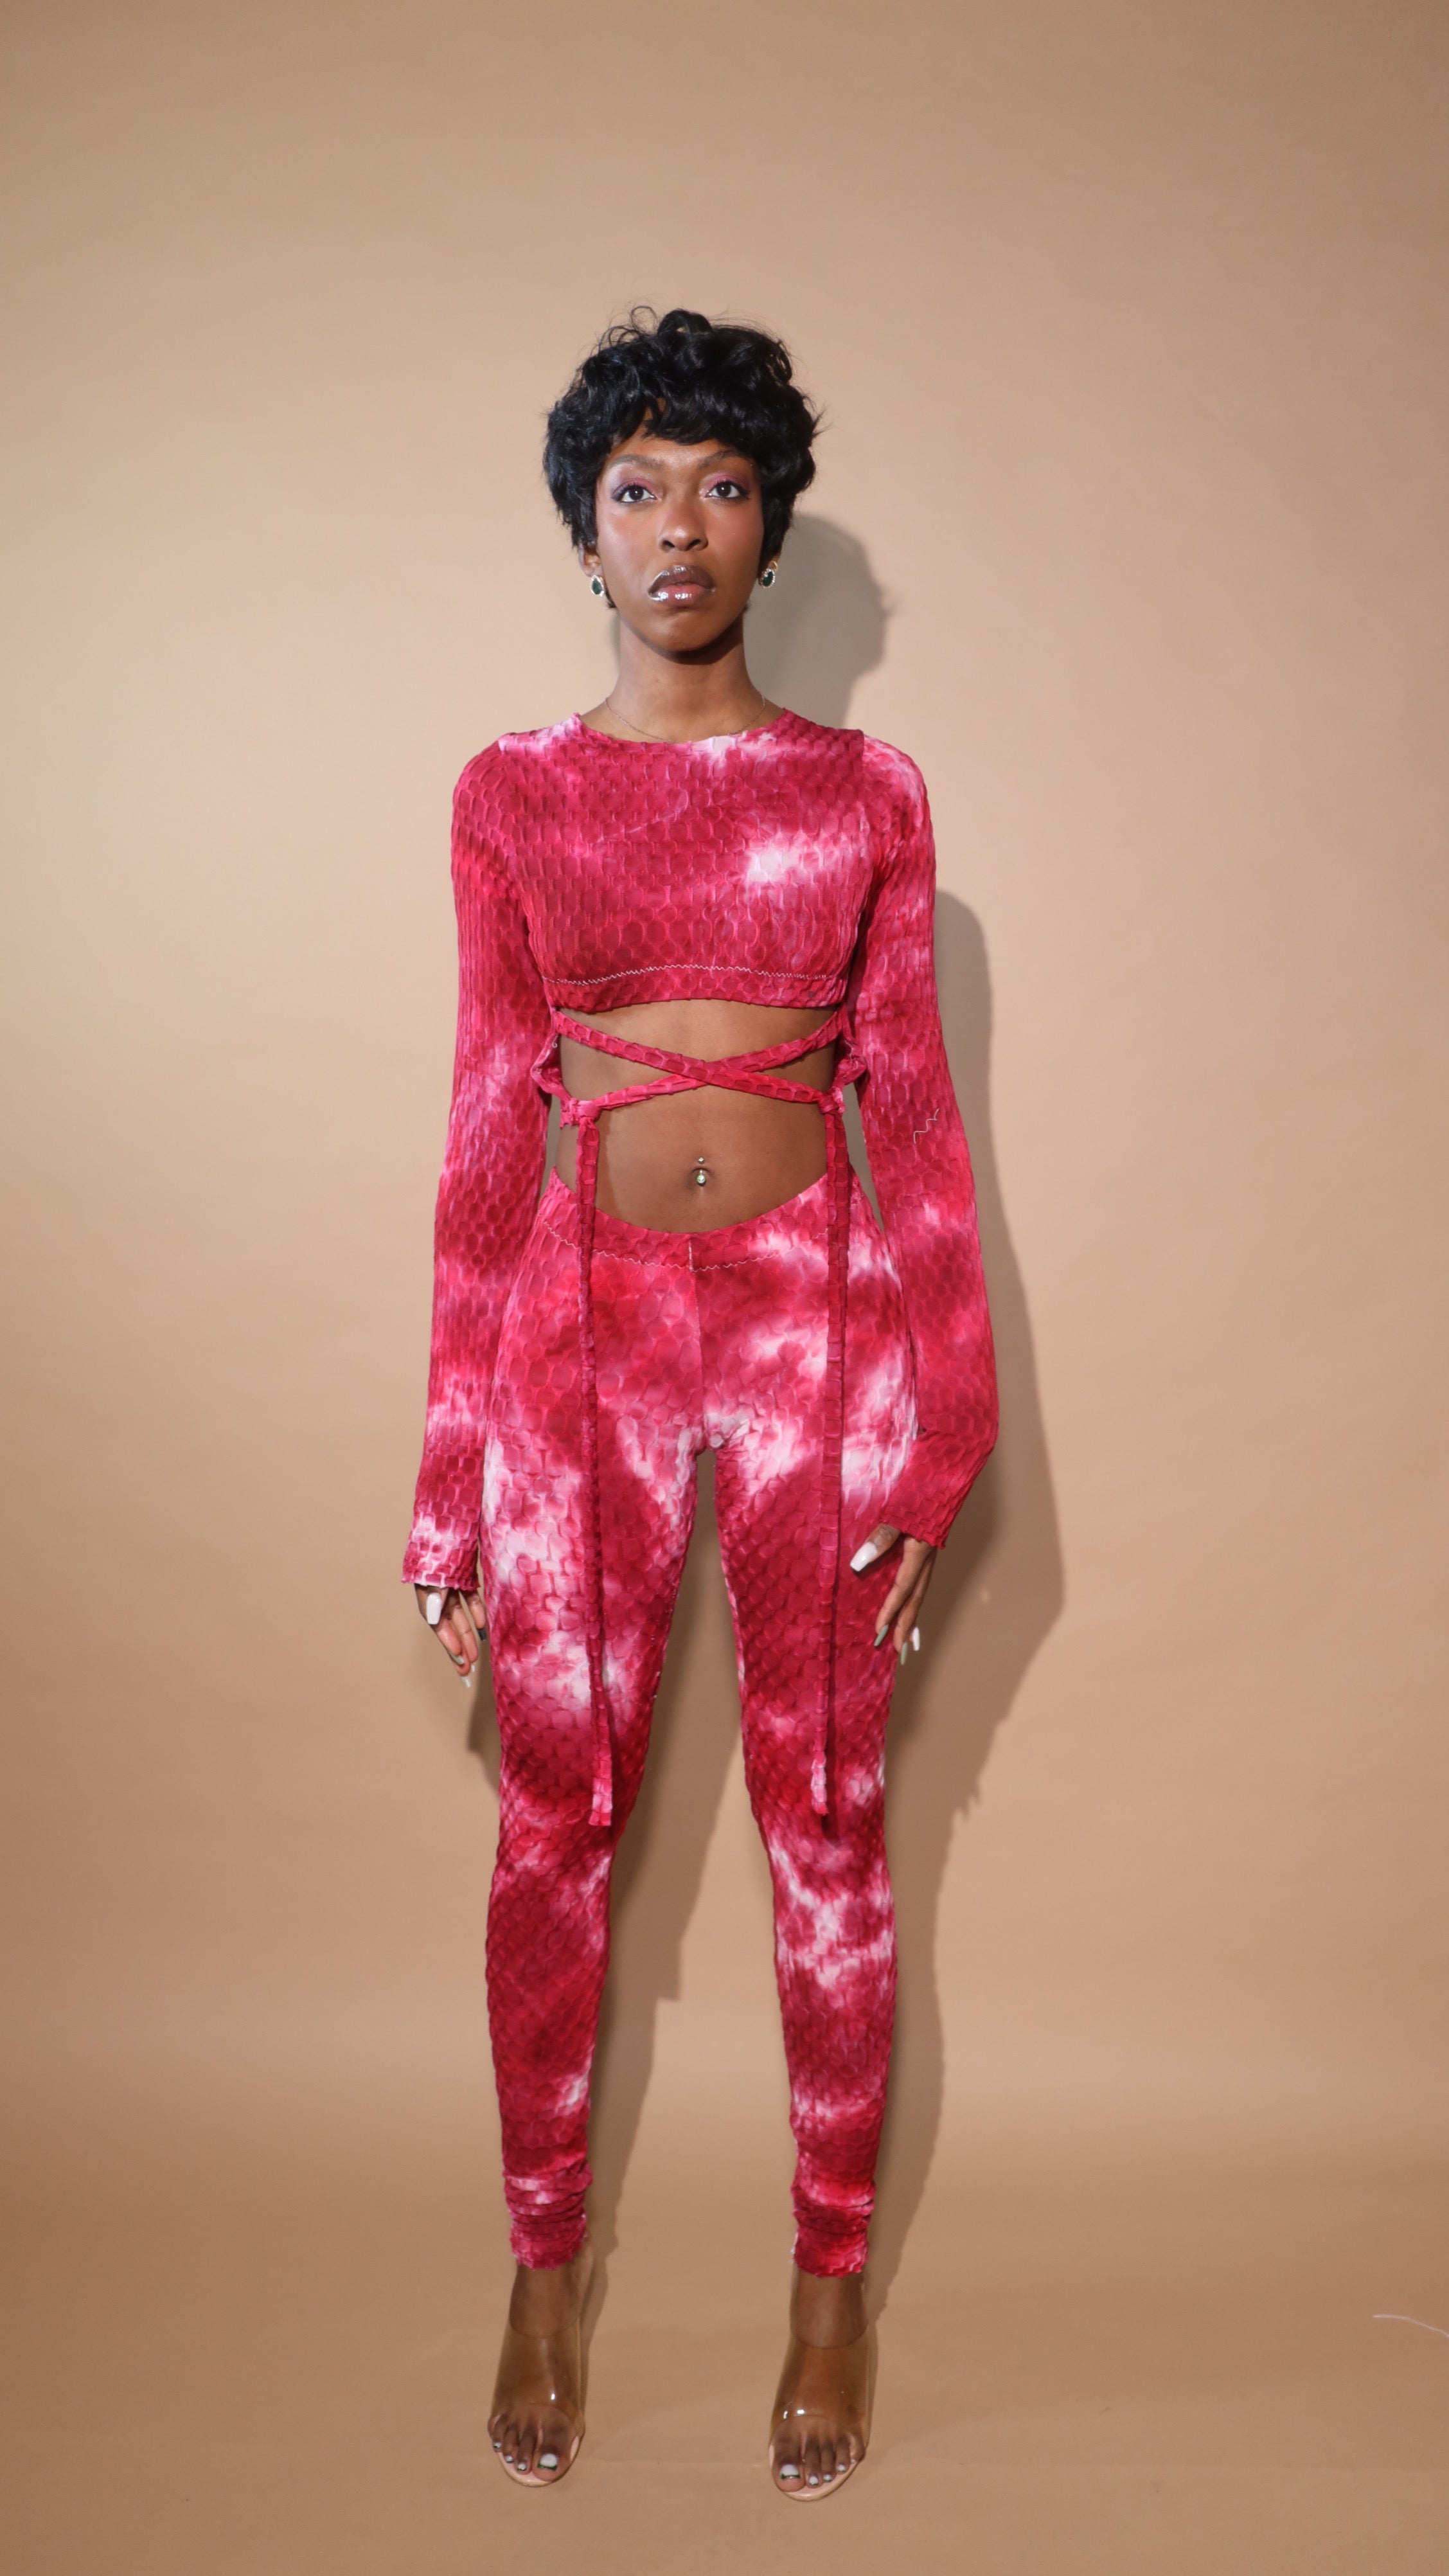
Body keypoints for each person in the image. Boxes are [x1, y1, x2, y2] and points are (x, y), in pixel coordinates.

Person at [403, 308, 997, 2499]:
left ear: (772, 527)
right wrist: (449, 1472)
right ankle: (543, 2266)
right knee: (553, 1829)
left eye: (724, 489)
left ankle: (830, 2291)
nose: (680, 528)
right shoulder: (512, 793)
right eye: (639, 489)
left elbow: (914, 1117)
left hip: (815, 1327)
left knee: (825, 1825)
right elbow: (489, 1122)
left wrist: (947, 1421)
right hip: (579, 1340)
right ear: (587, 532)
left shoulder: (865, 794)